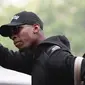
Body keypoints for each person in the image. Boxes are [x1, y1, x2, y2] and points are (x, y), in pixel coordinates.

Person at [0, 11, 85, 85]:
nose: (13, 36)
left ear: (36, 28)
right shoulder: (34, 58)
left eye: (16, 29)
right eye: (10, 34)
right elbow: (5, 57)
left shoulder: (54, 57)